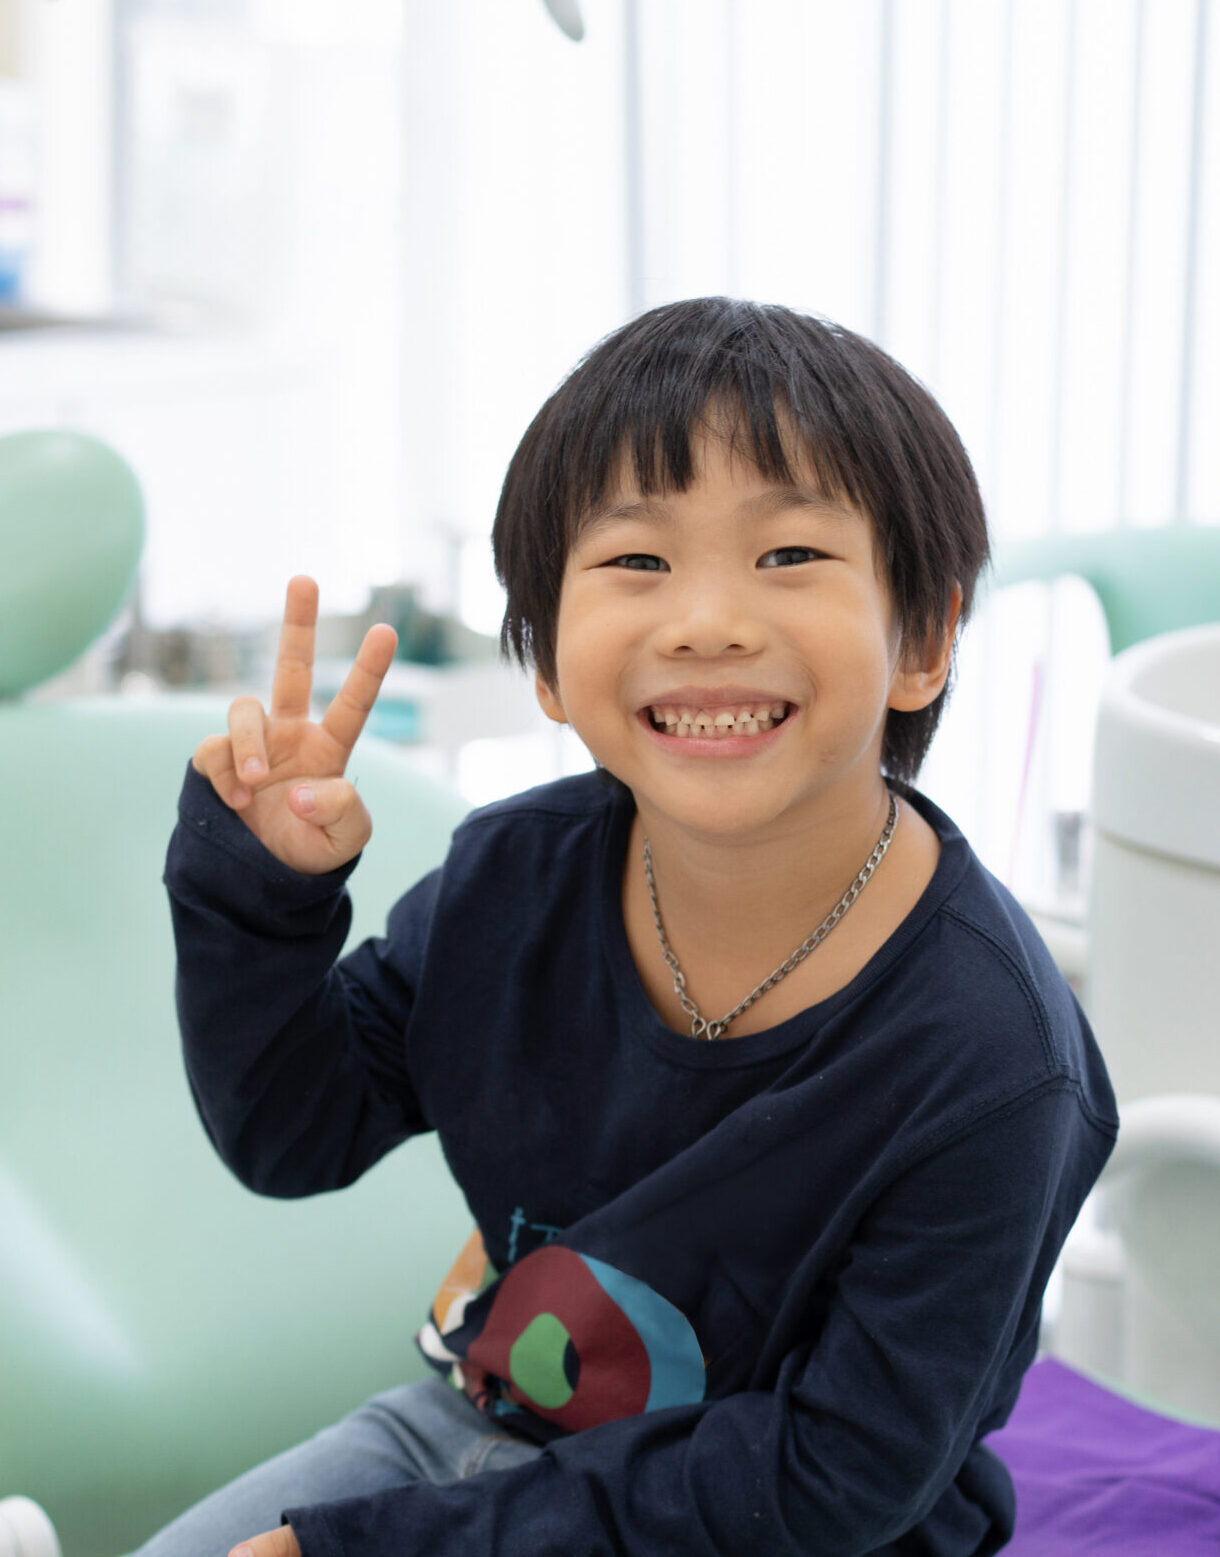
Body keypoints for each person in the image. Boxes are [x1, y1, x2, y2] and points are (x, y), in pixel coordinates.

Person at [148, 297, 1117, 1557]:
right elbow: (292, 1130)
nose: (704, 619)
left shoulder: (994, 1060)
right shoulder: (516, 877)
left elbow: (833, 1474)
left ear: (922, 639)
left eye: (788, 557)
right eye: (634, 562)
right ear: (546, 662)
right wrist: (261, 893)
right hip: (481, 1443)